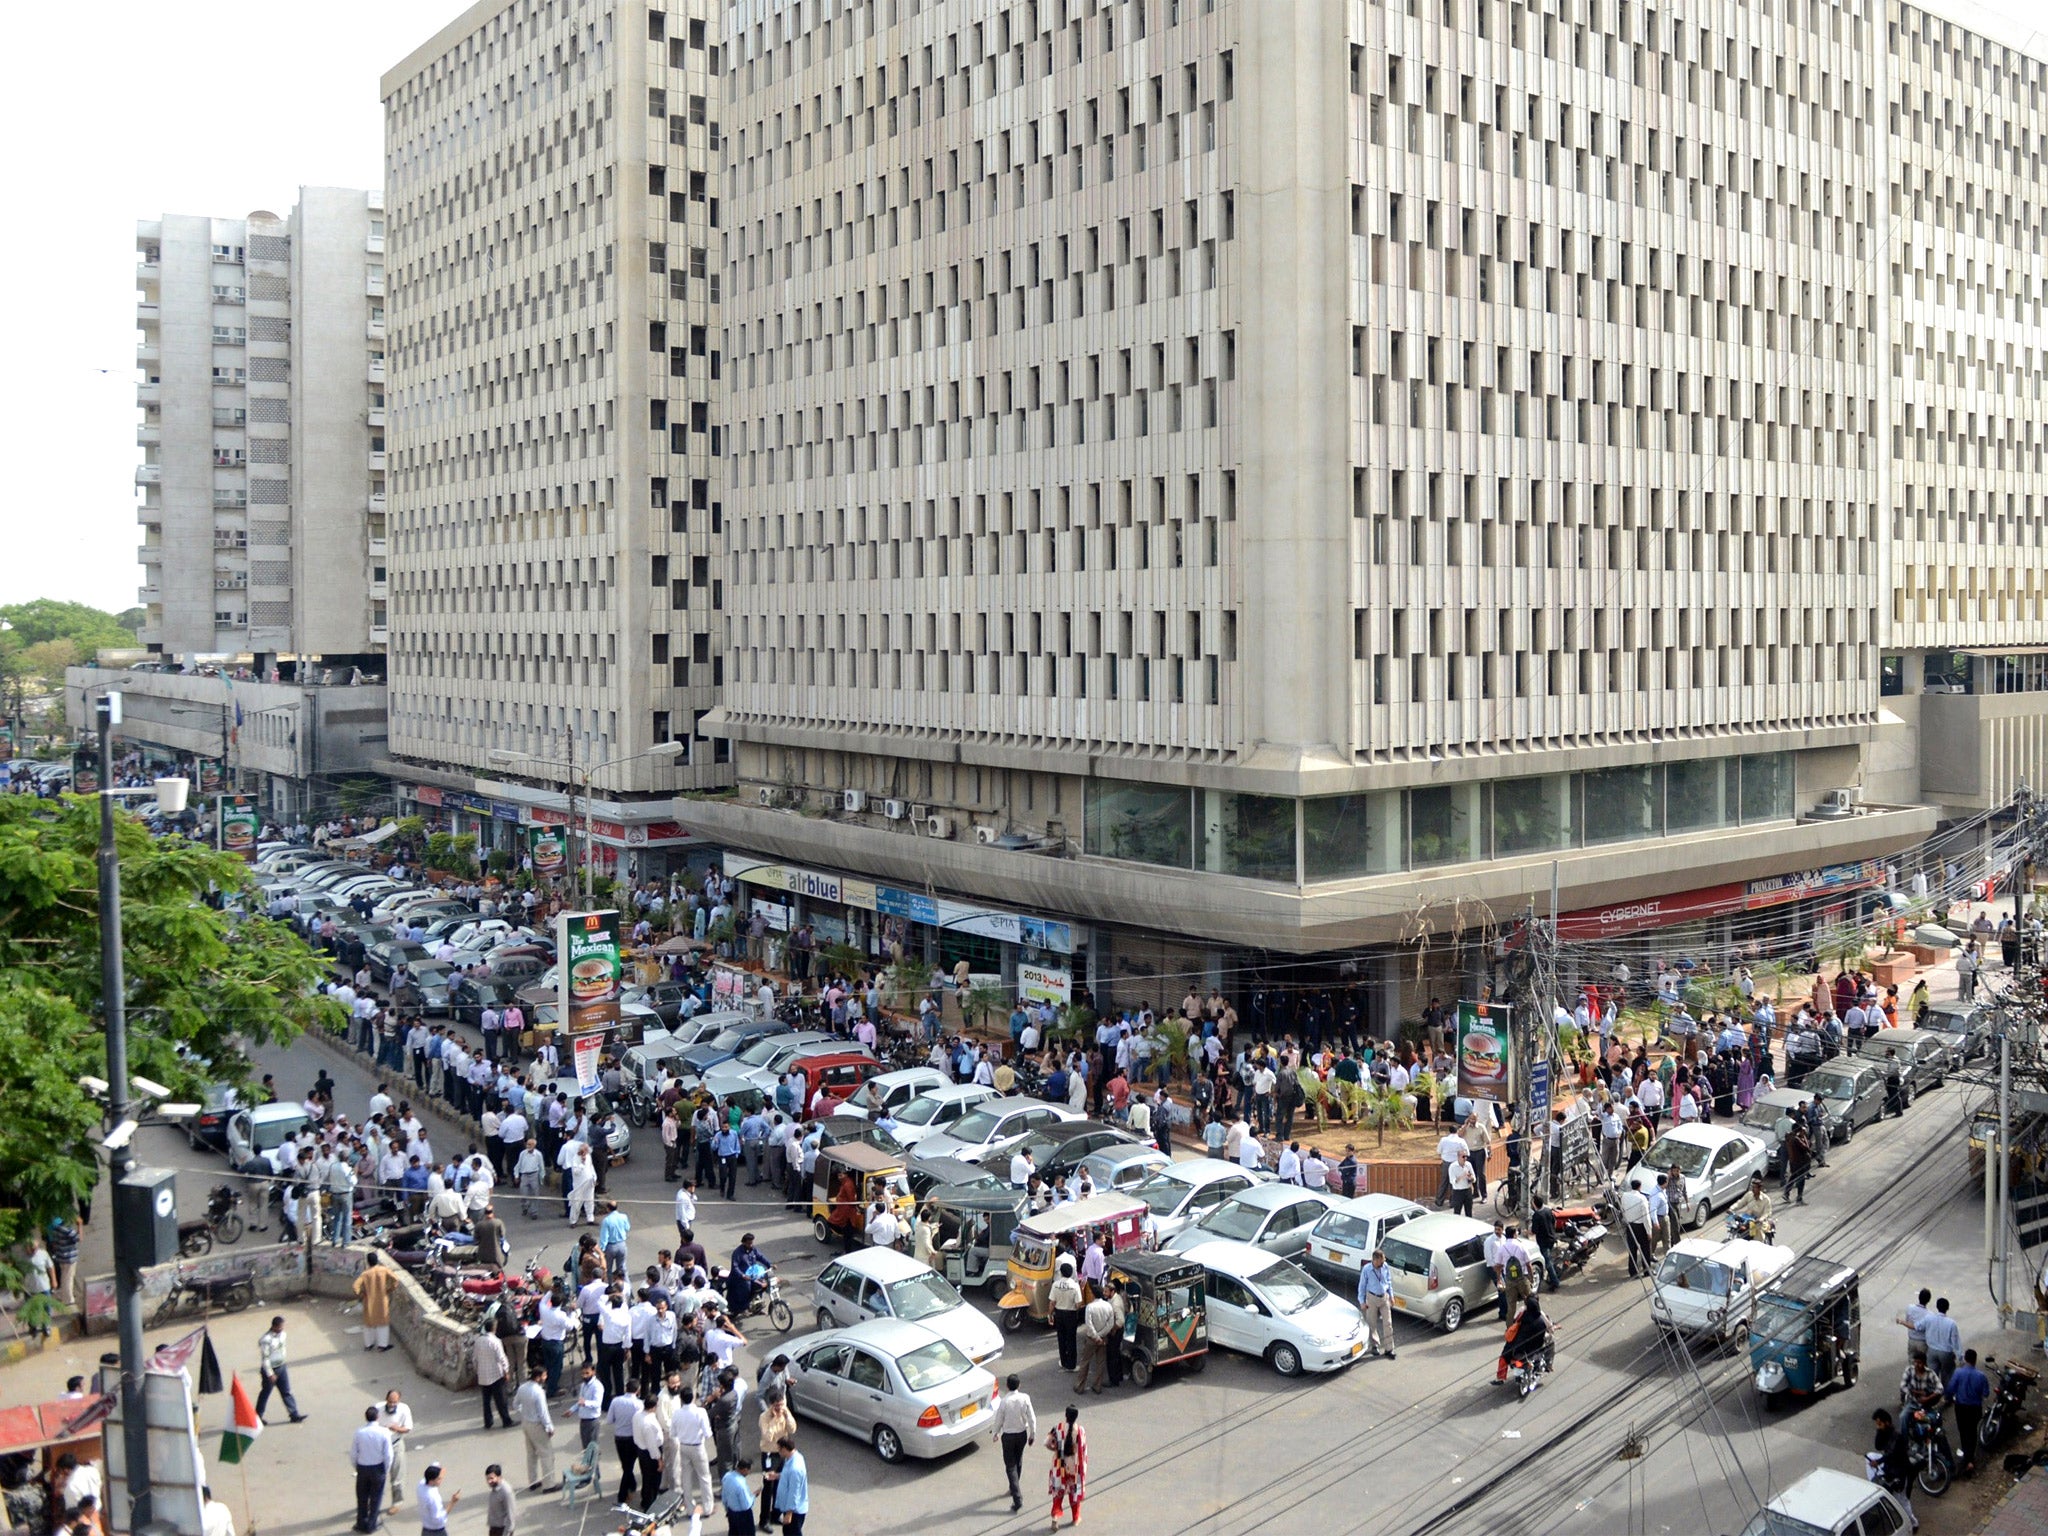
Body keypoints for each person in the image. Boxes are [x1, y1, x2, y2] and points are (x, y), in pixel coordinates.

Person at [989, 1373, 1038, 1513]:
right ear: (1019, 1385)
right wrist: (1032, 1434)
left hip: (1008, 1436)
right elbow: (1031, 1418)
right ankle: (1014, 1486)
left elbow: (999, 1419)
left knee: (1010, 1466)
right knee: (1018, 1461)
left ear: (1007, 1386)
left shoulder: (1004, 1402)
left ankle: (1017, 1497)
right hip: (1022, 1434)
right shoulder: (1025, 1398)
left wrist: (995, 1433)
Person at [1869, 1410, 1919, 1532]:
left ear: (1887, 1422)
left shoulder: (1897, 1437)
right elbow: (1878, 1446)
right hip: (1891, 1468)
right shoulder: (1884, 1433)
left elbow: (1891, 1453)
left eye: (1880, 1424)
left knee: (1903, 1499)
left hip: (1901, 1471)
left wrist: (1879, 1462)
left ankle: (1913, 1522)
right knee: (1870, 1456)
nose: (1878, 1427)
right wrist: (1879, 1431)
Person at [1947, 1349, 1992, 1476]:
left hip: (1961, 1407)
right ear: (1975, 1360)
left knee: (1963, 1432)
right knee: (1972, 1432)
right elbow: (1986, 1393)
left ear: (1965, 1359)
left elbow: (1950, 1389)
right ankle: (1969, 1458)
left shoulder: (1958, 1372)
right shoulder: (1981, 1376)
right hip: (1975, 1408)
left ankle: (1967, 1459)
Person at [255, 1316, 306, 1423]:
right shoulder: (266, 1340)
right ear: (274, 1326)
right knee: (265, 1393)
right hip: (271, 1370)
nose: (282, 1329)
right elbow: (265, 1358)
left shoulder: (283, 1335)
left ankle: (294, 1414)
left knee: (286, 1391)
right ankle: (257, 1417)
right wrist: (270, 1374)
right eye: (280, 1327)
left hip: (282, 1367)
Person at [513, 1367, 557, 1491]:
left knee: (531, 1454)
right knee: (546, 1454)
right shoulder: (538, 1392)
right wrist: (549, 1427)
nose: (545, 1378)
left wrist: (525, 1412)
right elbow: (543, 1413)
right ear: (538, 1377)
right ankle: (549, 1484)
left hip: (526, 1423)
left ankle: (533, 1481)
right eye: (544, 1376)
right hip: (537, 1425)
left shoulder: (522, 1388)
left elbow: (515, 1404)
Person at [350, 1407, 393, 1533]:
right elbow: (388, 1454)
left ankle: (361, 1523)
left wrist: (357, 1467)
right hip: (378, 1467)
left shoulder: (359, 1432)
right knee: (376, 1497)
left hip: (363, 1467)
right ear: (378, 1417)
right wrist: (386, 1469)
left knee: (362, 1497)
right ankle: (371, 1524)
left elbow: (353, 1453)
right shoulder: (384, 1432)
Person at [1045, 1404, 1087, 1529]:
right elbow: (1083, 1450)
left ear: (1066, 1416)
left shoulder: (1058, 1428)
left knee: (1058, 1492)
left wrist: (1055, 1449)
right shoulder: (1080, 1430)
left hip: (1059, 1466)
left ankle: (1055, 1517)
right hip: (1074, 1467)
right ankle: (1076, 1518)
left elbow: (1047, 1442)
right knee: (1074, 1493)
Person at [1497, 1293, 1550, 1384]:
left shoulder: (1523, 1315)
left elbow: (1515, 1321)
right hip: (1534, 1347)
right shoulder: (1540, 1317)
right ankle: (1547, 1366)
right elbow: (1549, 1326)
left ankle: (1500, 1378)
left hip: (1518, 1347)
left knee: (1503, 1356)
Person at [1356, 1248, 1395, 1359]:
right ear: (1375, 1260)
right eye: (1381, 1261)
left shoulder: (1385, 1266)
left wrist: (1391, 1296)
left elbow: (1389, 1281)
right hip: (1372, 1297)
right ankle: (1375, 1345)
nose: (1383, 1263)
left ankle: (1389, 1348)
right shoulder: (1367, 1269)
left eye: (1383, 1261)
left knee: (1388, 1323)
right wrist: (1362, 1301)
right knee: (1372, 1323)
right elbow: (1362, 1286)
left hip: (1384, 1297)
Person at [378, 1390, 413, 1512]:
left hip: (396, 1444)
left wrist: (396, 1428)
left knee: (397, 1475)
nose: (392, 1405)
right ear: (386, 1400)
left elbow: (408, 1428)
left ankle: (396, 1503)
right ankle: (375, 1502)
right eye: (390, 1402)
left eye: (394, 1402)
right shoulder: (378, 1408)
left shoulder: (404, 1409)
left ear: (398, 1401)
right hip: (380, 1447)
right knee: (378, 1475)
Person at [1076, 1287, 1116, 1394]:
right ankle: (1097, 1386)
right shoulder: (1108, 1306)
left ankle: (1080, 1386)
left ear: (1093, 1295)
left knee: (1085, 1362)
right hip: (1103, 1338)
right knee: (1100, 1362)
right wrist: (1101, 1336)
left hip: (1091, 1339)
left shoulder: (1090, 1307)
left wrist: (1096, 1337)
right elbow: (1110, 1324)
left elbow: (1089, 1325)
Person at [1049, 1256, 1086, 1372]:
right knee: (1071, 1339)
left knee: (1061, 1338)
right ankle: (1071, 1365)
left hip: (1059, 1314)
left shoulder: (1055, 1284)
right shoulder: (1075, 1286)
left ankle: (1063, 1361)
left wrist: (1049, 1315)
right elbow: (1079, 1304)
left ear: (1060, 1272)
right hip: (1071, 1315)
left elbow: (1052, 1302)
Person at [355, 1256, 399, 1351]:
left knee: (369, 1323)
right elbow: (395, 1279)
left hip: (369, 1300)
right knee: (383, 1323)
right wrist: (389, 1289)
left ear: (368, 1262)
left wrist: (362, 1294)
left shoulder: (365, 1274)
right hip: (382, 1300)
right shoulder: (384, 1270)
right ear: (377, 1261)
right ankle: (382, 1345)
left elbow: (355, 1286)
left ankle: (368, 1345)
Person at [474, 1328, 513, 1429]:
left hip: (483, 1375)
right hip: (496, 1374)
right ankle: (506, 1420)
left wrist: (477, 1370)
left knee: (486, 1400)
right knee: (501, 1399)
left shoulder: (478, 1341)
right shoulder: (496, 1341)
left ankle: (488, 1422)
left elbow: (475, 1358)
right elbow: (501, 1357)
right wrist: (506, 1370)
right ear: (494, 1328)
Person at [770, 1435, 808, 1534]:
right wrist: (777, 1476)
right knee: (787, 1531)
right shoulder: (793, 1458)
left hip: (794, 1511)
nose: (778, 1451)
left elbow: (794, 1492)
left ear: (784, 1449)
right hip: (790, 1507)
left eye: (779, 1449)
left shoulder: (795, 1468)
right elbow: (788, 1476)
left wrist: (789, 1513)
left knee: (792, 1532)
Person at [1922, 1297, 1962, 1384]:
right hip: (1946, 1352)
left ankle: (1933, 1393)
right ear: (1947, 1308)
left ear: (1937, 1307)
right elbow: (1955, 1342)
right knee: (1948, 1375)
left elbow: (1918, 1326)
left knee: (1932, 1375)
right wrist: (1960, 1356)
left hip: (1932, 1350)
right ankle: (1947, 1394)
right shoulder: (1951, 1323)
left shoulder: (1929, 1318)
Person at [416, 1465, 458, 1536]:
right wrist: (452, 1502)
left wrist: (440, 1471)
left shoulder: (421, 1485)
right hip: (437, 1532)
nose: (441, 1480)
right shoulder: (433, 1497)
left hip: (425, 1530)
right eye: (439, 1479)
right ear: (432, 1480)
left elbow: (434, 1466)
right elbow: (438, 1519)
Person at [720, 1458, 757, 1536]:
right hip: (742, 1516)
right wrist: (754, 1496)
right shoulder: (741, 1485)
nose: (749, 1472)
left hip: (731, 1512)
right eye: (748, 1470)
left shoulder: (727, 1476)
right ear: (745, 1469)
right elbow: (746, 1505)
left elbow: (724, 1497)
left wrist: (727, 1510)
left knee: (733, 1532)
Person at [483, 1466, 516, 1536]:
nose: (489, 1481)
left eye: (491, 1478)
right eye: (487, 1479)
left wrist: (506, 1534)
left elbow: (511, 1515)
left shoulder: (506, 1492)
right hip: (494, 1528)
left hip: (502, 1530)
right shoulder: (495, 1487)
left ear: (499, 1477)